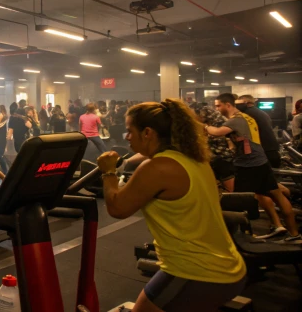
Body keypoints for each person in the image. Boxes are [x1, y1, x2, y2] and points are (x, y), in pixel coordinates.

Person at [97, 99, 246, 312]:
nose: (127, 137)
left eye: (130, 131)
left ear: (147, 132)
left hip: (198, 274)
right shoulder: (192, 158)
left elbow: (117, 208)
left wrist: (108, 171)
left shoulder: (157, 168)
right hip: (228, 266)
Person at [206, 93, 299, 241]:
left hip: (249, 164)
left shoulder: (236, 119)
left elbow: (216, 132)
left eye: (218, 105)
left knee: (240, 200)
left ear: (228, 105)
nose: (217, 109)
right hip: (259, 160)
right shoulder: (246, 117)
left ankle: (246, 237)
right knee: (269, 194)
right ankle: (288, 230)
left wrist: (203, 126)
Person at [191, 104, 236, 192]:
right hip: (215, 159)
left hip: (223, 159)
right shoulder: (209, 123)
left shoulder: (219, 123)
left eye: (194, 115)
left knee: (230, 188)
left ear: (202, 114)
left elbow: (219, 144)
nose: (193, 118)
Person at [236, 95, 281, 168]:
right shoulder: (262, 113)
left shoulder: (247, 114)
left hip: (263, 151)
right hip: (272, 149)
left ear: (245, 102)